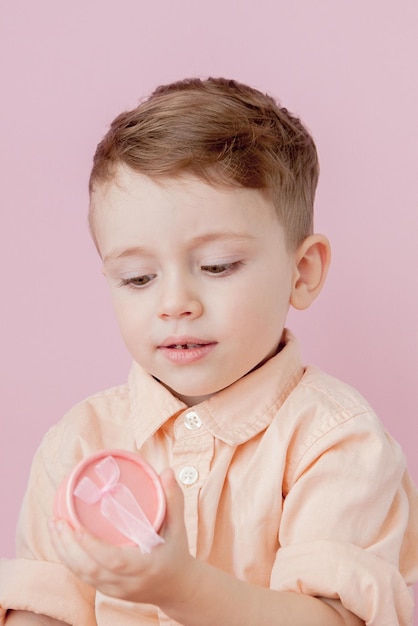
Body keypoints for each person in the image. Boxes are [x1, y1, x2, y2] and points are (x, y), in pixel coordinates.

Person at [1, 77, 417, 626]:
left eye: (218, 266)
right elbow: (44, 609)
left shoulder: (335, 440)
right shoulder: (79, 445)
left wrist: (181, 587)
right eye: (138, 277)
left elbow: (335, 619)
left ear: (303, 271)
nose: (175, 303)